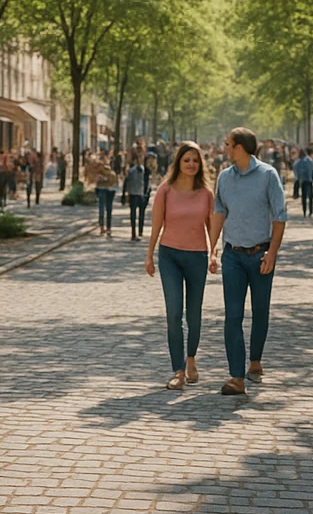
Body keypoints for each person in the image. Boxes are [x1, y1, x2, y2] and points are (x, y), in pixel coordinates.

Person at [210, 128, 287, 396]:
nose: (225, 147)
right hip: (232, 254)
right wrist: (212, 249)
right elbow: (219, 212)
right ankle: (236, 376)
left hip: (261, 254)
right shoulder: (224, 178)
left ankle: (255, 361)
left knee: (260, 311)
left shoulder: (268, 175)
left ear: (240, 147)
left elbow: (279, 216)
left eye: (228, 143)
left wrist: (273, 253)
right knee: (232, 316)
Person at [146, 141, 216, 390]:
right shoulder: (165, 190)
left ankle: (191, 359)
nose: (191, 164)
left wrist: (214, 254)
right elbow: (156, 225)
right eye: (186, 160)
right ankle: (178, 370)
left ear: (201, 165)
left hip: (197, 256)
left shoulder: (207, 194)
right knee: (174, 313)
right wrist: (150, 255)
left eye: (195, 161)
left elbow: (212, 227)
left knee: (194, 314)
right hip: (170, 256)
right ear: (178, 162)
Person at [84, 151, 118, 236]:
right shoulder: (99, 168)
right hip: (104, 189)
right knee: (104, 209)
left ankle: (106, 228)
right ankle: (104, 228)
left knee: (106, 209)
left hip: (108, 189)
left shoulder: (107, 168)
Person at [122, 150, 150, 239]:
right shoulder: (131, 171)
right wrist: (124, 194)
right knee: (133, 214)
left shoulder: (145, 170)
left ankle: (140, 231)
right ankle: (133, 233)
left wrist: (147, 193)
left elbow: (147, 182)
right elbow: (126, 182)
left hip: (141, 194)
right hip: (134, 194)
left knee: (141, 214)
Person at [292, 148, 313, 217]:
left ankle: (310, 211)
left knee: (310, 197)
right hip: (303, 181)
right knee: (304, 197)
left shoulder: (308, 160)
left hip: (308, 180)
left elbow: (312, 169)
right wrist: (298, 177)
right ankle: (305, 211)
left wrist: (312, 177)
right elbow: (295, 169)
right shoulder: (299, 161)